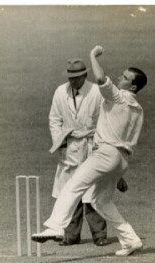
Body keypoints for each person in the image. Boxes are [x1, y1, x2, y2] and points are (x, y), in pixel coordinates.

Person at [32, 46, 147, 257]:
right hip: (122, 159)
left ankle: (56, 227)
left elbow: (101, 78)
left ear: (132, 86)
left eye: (124, 77)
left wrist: (93, 55)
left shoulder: (119, 97)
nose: (119, 78)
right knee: (100, 200)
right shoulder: (138, 109)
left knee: (72, 185)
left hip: (106, 153)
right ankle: (131, 240)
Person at [48, 58, 108, 247]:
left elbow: (105, 120)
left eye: (76, 77)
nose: (72, 81)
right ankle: (71, 235)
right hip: (70, 145)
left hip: (92, 145)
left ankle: (99, 234)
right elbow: (54, 119)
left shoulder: (97, 92)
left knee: (93, 191)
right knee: (70, 191)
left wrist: (100, 144)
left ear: (84, 75)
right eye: (70, 77)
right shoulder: (60, 91)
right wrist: (60, 141)